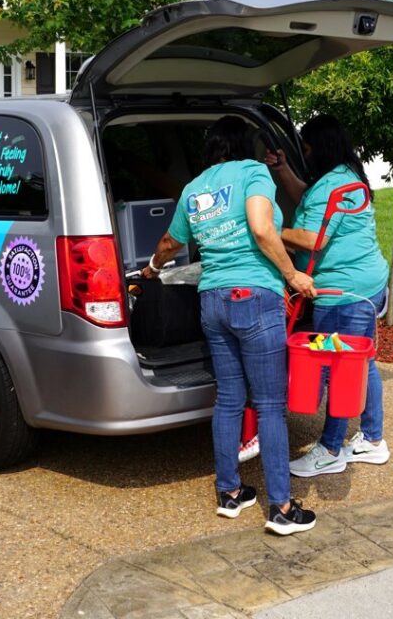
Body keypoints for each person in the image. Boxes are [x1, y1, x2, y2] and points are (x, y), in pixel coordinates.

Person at [141, 116, 317, 535]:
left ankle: (230, 492)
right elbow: (261, 228)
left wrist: (151, 268)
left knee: (229, 400)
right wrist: (292, 275)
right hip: (254, 297)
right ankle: (281, 508)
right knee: (270, 405)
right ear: (245, 145)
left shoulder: (194, 188)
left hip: (213, 301)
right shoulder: (253, 173)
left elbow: (169, 243)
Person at [266, 114, 390, 477]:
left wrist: (269, 229)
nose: (304, 155)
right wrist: (284, 170)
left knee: (340, 369)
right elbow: (309, 201)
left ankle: (331, 449)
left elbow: (312, 239)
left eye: (305, 149)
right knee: (361, 363)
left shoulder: (332, 186)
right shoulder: (345, 177)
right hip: (368, 284)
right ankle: (372, 439)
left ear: (320, 148)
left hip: (344, 295)